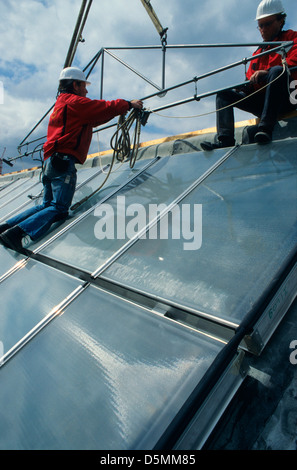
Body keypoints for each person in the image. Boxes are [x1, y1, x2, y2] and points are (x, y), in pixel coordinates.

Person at [0, 66, 143, 253]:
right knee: (59, 208)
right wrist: (128, 104)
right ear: (75, 85)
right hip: (63, 161)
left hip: (51, 161)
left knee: (46, 205)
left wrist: (117, 111)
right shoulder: (75, 102)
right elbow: (101, 108)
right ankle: (15, 235)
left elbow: (94, 117)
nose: (86, 90)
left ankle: (4, 228)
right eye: (84, 85)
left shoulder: (63, 104)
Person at [201, 0, 297, 151]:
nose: (263, 29)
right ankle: (225, 141)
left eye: (267, 24)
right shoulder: (257, 53)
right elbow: (249, 83)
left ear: (281, 21)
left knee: (277, 71)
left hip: (289, 97)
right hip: (265, 103)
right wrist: (241, 90)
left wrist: (267, 72)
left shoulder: (292, 39)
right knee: (224, 94)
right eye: (260, 25)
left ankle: (265, 129)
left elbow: (293, 63)